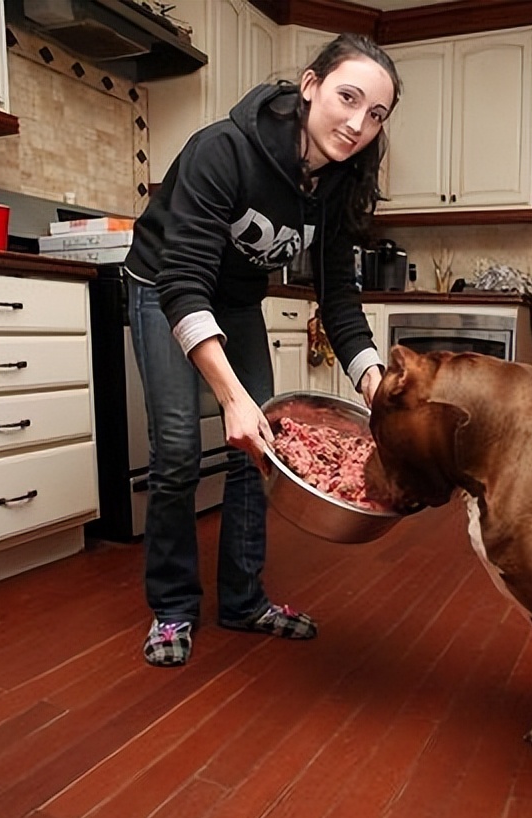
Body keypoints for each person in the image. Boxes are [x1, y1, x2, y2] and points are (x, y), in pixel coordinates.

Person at [124, 33, 401, 666]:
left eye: (376, 113)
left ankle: (244, 601)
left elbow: (339, 301)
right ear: (310, 87)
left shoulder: (339, 181)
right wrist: (229, 397)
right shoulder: (224, 150)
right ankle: (172, 609)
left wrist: (377, 391)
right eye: (347, 98)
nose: (358, 123)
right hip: (164, 284)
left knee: (262, 446)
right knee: (176, 449)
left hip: (237, 300)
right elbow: (183, 280)